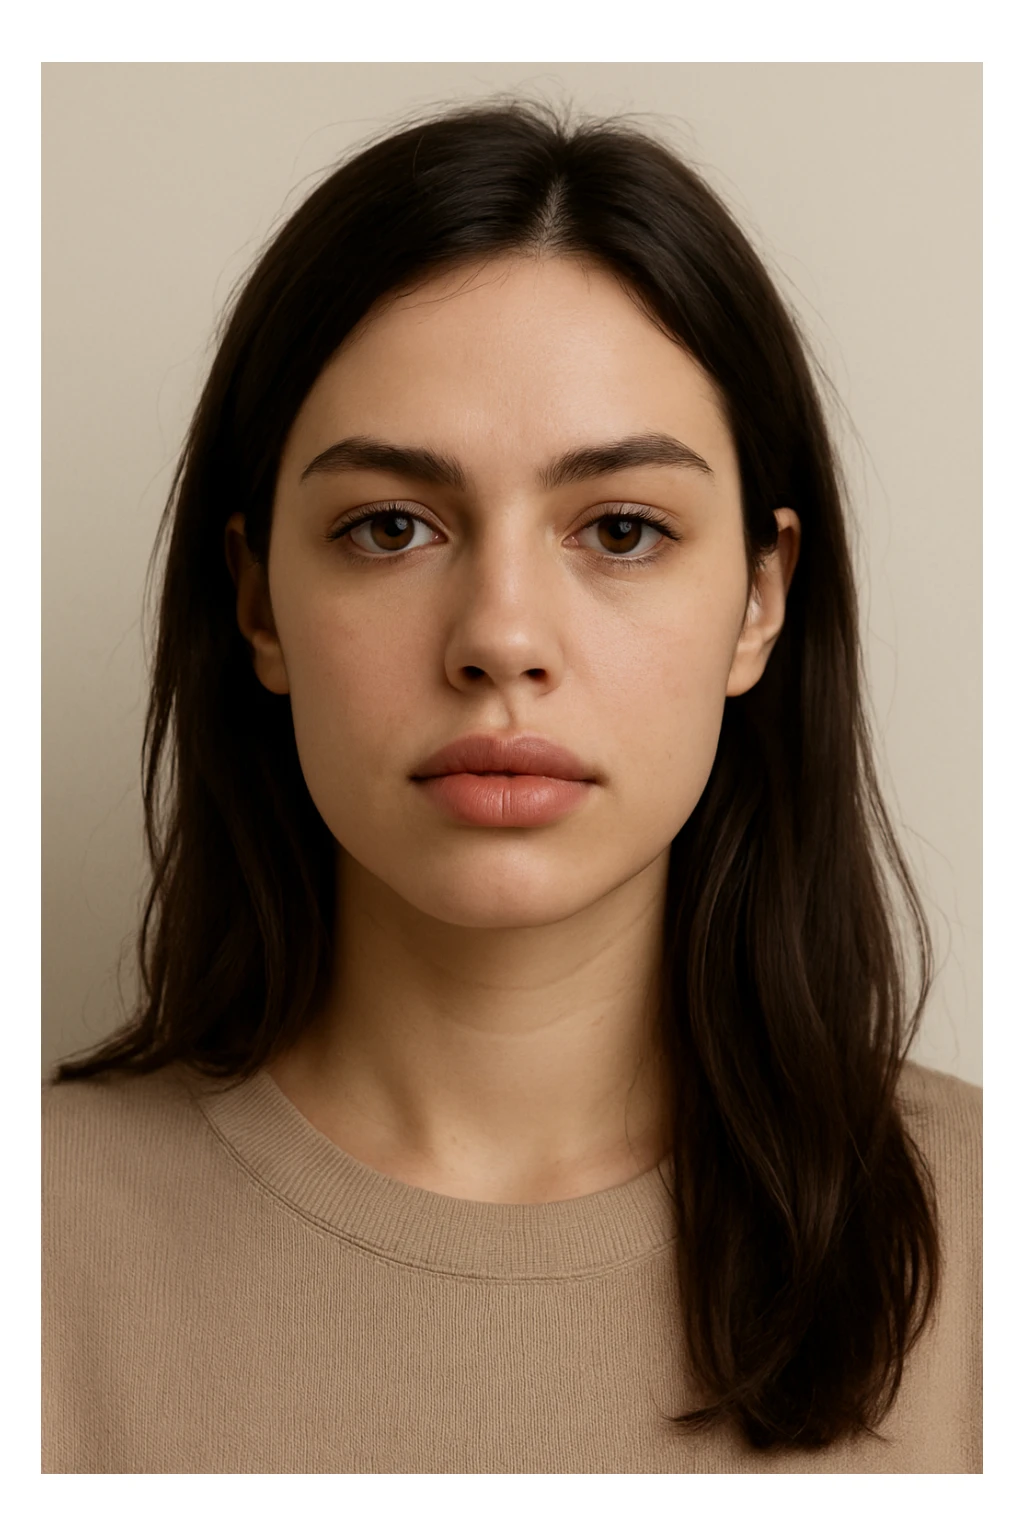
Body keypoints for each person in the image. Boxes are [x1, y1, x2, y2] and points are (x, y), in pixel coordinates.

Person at [41, 95, 981, 1475]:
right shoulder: (38, 1243)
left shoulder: (988, 1231)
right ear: (256, 603)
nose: (500, 637)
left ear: (759, 602)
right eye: (390, 526)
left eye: (619, 528)